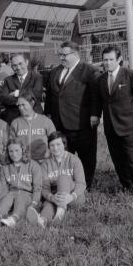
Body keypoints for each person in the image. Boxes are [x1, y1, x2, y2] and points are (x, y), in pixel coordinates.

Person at [92, 46, 133, 199]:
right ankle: (127, 187)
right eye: (105, 60)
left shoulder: (132, 76)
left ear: (119, 60)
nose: (108, 63)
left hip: (129, 126)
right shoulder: (100, 80)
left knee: (132, 158)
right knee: (117, 159)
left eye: (111, 59)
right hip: (110, 128)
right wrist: (96, 115)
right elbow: (98, 101)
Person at [44, 41, 99, 189]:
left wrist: (95, 115)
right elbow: (50, 95)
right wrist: (48, 114)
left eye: (64, 55)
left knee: (86, 157)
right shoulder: (55, 72)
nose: (61, 57)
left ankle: (85, 186)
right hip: (59, 124)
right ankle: (65, 185)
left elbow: (95, 95)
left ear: (75, 54)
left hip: (82, 123)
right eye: (60, 55)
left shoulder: (89, 71)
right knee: (63, 157)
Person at [0, 138, 42, 228]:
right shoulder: (5, 167)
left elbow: (37, 187)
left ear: (23, 149)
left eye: (17, 150)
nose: (14, 154)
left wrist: (34, 203)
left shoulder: (33, 165)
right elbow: (4, 187)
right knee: (8, 196)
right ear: (7, 152)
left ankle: (14, 219)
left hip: (27, 195)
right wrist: (0, 201)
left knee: (20, 196)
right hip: (11, 193)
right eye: (11, 151)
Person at [39, 131, 87, 223]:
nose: (55, 148)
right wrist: (51, 197)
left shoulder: (74, 159)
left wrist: (71, 197)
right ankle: (42, 220)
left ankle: (60, 211)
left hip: (74, 197)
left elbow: (81, 183)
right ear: (49, 147)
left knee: (62, 177)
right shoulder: (45, 164)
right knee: (48, 204)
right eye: (52, 145)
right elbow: (44, 188)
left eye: (58, 144)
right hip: (55, 195)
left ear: (64, 144)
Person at [0, 53, 44, 125]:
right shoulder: (8, 80)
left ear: (27, 62)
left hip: (34, 119)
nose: (18, 67)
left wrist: (16, 93)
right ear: (11, 66)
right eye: (14, 65)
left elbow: (36, 94)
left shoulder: (37, 77)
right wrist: (27, 95)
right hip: (14, 120)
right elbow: (4, 99)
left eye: (20, 64)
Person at [9, 92, 56, 161]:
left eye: (23, 105)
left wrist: (49, 153)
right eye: (19, 105)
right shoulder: (15, 123)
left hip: (43, 161)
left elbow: (55, 141)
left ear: (32, 103)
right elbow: (11, 144)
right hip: (24, 162)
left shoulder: (45, 120)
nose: (21, 108)